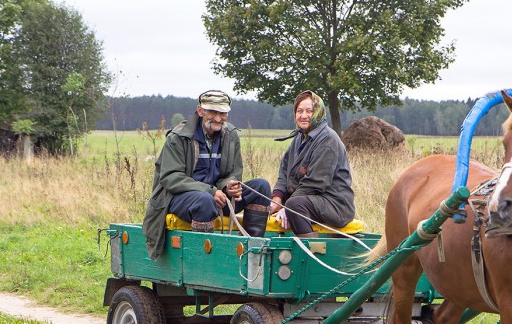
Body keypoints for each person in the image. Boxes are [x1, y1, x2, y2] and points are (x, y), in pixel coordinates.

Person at [143, 90, 272, 260]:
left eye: (223, 113)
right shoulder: (179, 137)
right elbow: (170, 177)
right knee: (204, 201)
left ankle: (251, 254)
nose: (218, 118)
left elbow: (233, 173)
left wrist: (230, 185)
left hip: (217, 196)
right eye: (213, 112)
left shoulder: (231, 135)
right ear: (200, 110)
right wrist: (210, 191)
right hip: (179, 198)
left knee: (261, 187)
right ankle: (205, 263)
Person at [270, 90, 355, 237]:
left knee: (294, 206)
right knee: (262, 199)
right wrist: (276, 200)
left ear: (318, 113)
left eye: (309, 111)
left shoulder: (328, 140)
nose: (303, 116)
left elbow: (315, 183)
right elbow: (285, 173)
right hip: (309, 200)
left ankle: (310, 253)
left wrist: (286, 207)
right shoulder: (300, 138)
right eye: (299, 111)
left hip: (335, 204)